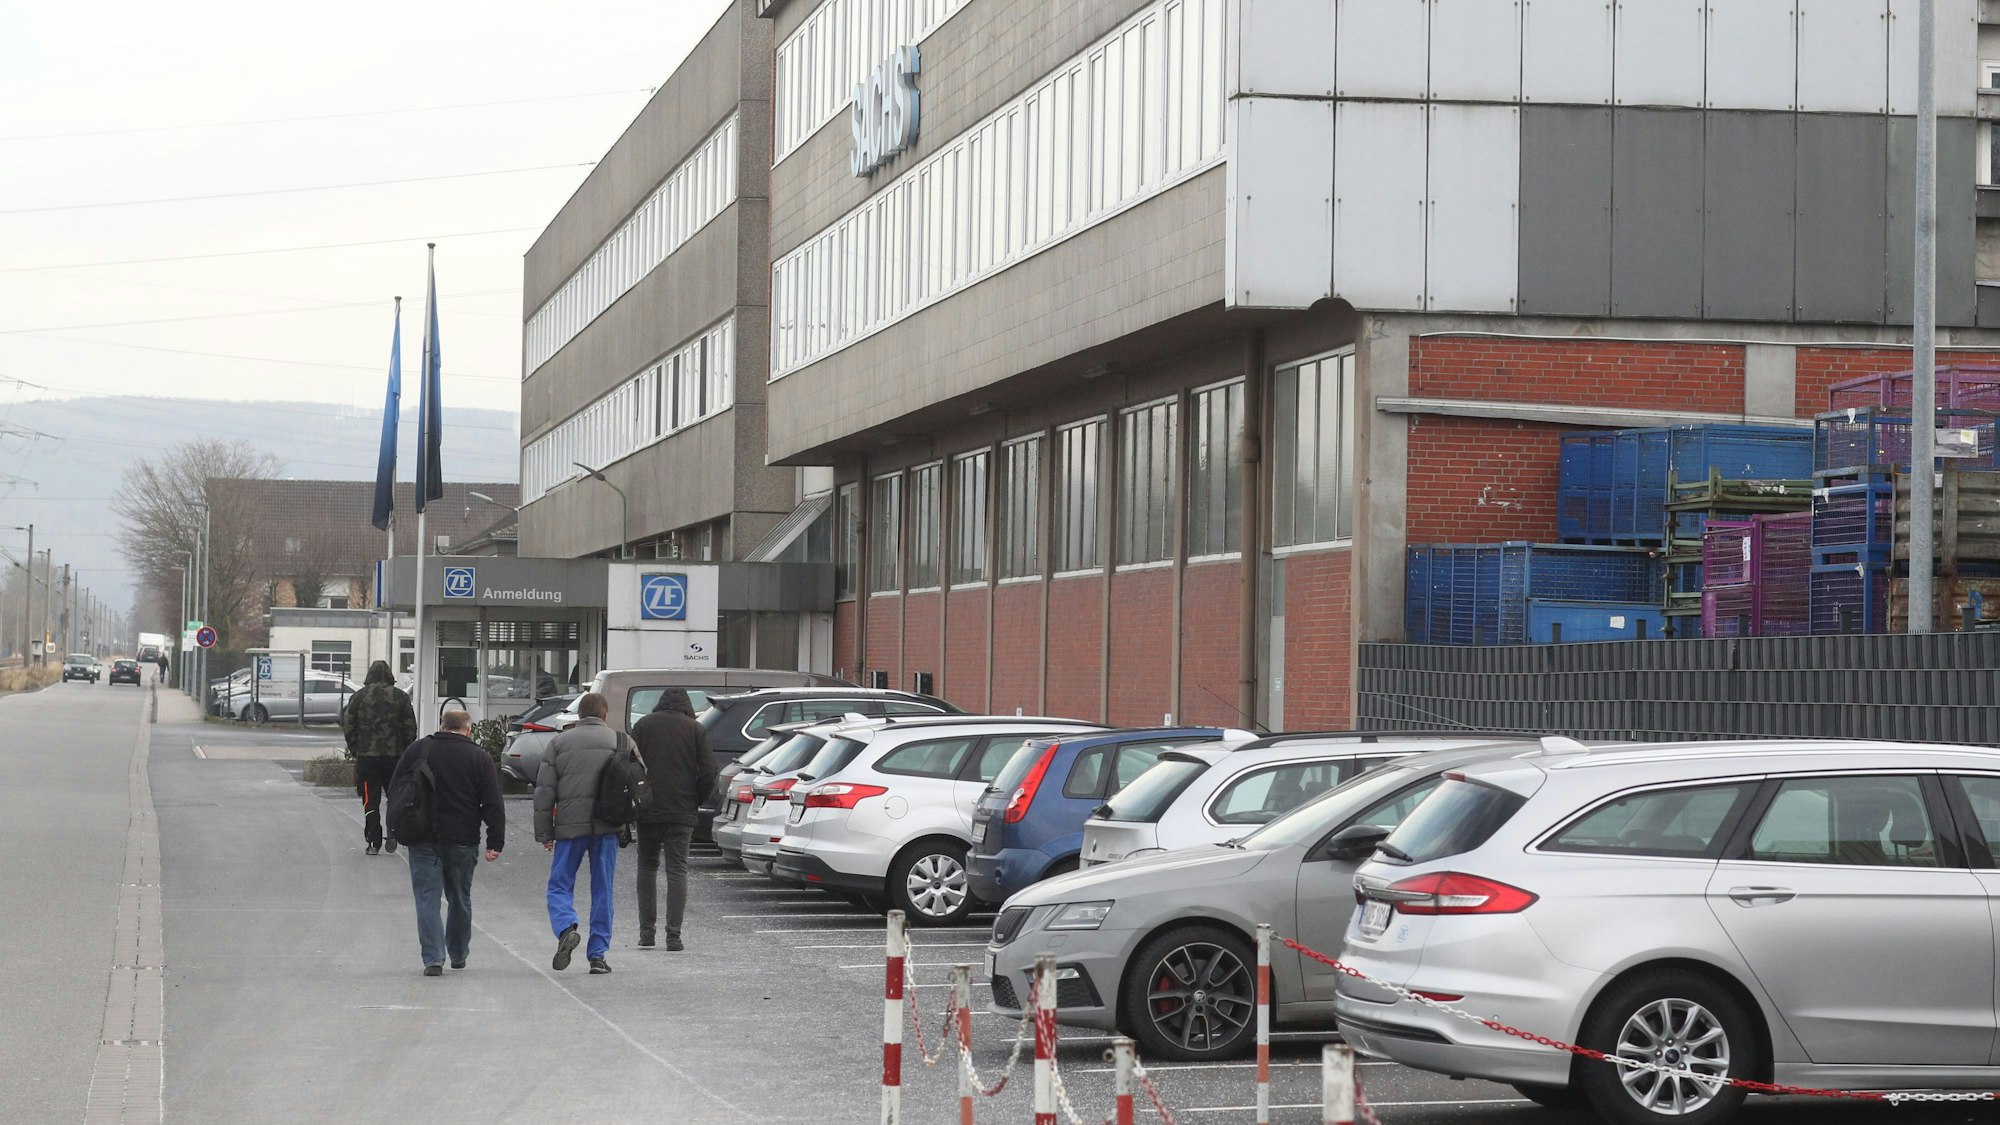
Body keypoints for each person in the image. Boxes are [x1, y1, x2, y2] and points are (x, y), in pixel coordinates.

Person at [388, 710, 504, 976]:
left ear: (441, 725)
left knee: (427, 898)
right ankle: (458, 953)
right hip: (462, 840)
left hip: (422, 836)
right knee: (459, 897)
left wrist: (395, 828)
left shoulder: (419, 749)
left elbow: (396, 789)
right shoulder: (479, 757)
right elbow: (493, 803)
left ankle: (433, 958)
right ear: (468, 729)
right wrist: (495, 841)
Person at [534, 691, 624, 974]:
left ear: (579, 715)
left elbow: (544, 792)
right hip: (607, 825)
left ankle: (565, 928)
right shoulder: (621, 742)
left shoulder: (559, 743)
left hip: (570, 826)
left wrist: (544, 832)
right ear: (605, 715)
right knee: (603, 889)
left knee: (559, 884)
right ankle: (597, 955)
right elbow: (637, 782)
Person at [629, 689, 718, 951]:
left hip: (647, 809)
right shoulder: (695, 729)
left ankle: (646, 933)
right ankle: (674, 935)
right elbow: (709, 770)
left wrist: (636, 798)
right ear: (686, 707)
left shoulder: (643, 725)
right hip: (682, 810)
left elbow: (630, 764)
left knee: (646, 866)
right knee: (677, 869)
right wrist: (696, 799)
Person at [341, 660, 419, 855]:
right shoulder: (400, 697)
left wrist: (356, 750)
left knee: (370, 800)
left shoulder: (358, 697)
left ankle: (373, 842)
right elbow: (411, 728)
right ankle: (393, 833)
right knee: (395, 797)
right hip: (395, 759)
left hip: (367, 758)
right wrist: (405, 751)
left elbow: (348, 726)